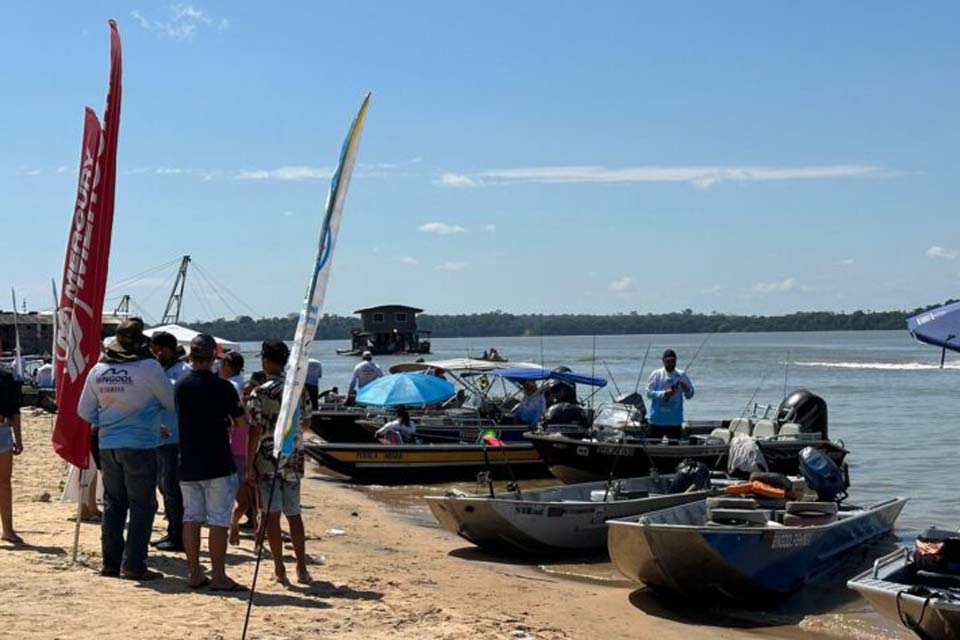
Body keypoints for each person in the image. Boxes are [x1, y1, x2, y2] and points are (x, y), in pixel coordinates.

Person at [77, 318, 174, 580]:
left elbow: (84, 411)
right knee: (142, 505)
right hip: (141, 444)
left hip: (108, 444)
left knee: (113, 504)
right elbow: (169, 400)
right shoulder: (150, 368)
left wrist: (109, 421)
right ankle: (133, 564)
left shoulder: (98, 370)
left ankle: (111, 562)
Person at [175, 335, 247, 590]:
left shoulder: (181, 385)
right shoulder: (224, 386)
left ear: (191, 357)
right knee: (218, 520)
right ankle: (218, 575)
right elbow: (241, 424)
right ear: (214, 357)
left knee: (191, 517)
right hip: (218, 459)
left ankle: (194, 572)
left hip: (189, 460)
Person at [247, 340, 313, 584]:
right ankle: (302, 567)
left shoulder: (259, 392)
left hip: (267, 461)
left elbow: (253, 431)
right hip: (292, 460)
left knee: (271, 516)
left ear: (265, 360)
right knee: (294, 514)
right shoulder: (298, 389)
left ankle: (279, 568)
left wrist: (248, 466)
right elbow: (307, 422)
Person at [149, 331, 190, 552]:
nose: (156, 355)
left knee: (172, 488)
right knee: (163, 487)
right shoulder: (160, 370)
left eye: (159, 350)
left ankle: (178, 535)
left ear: (169, 349)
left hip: (174, 438)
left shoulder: (183, 372)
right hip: (157, 437)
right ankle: (172, 530)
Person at [219, 352, 254, 545]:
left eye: (222, 364)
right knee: (243, 495)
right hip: (239, 447)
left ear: (229, 366)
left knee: (241, 495)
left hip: (240, 447)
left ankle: (233, 524)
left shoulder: (233, 386)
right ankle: (234, 525)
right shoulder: (239, 384)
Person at [645, 349, 695, 439]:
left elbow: (690, 395)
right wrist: (664, 393)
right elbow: (649, 393)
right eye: (668, 361)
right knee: (652, 445)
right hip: (657, 421)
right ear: (663, 361)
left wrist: (686, 389)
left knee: (675, 446)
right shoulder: (656, 374)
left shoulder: (681, 375)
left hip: (674, 421)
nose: (671, 364)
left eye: (673, 361)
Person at [0, 366, 24, 544]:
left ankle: (7, 529)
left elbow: (15, 410)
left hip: (2, 429)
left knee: (4, 483)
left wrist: (19, 438)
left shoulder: (7, 377)